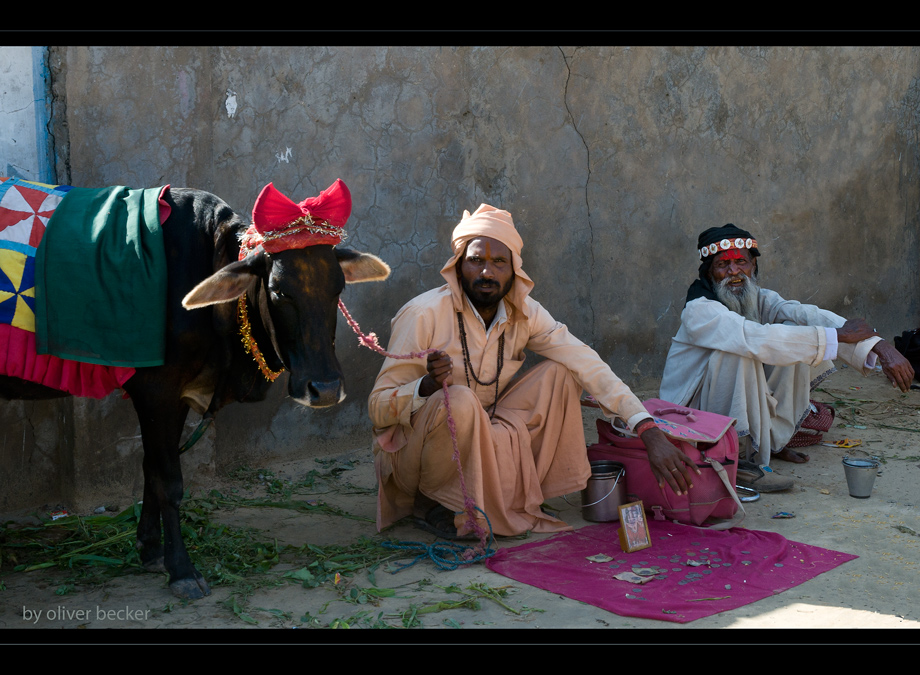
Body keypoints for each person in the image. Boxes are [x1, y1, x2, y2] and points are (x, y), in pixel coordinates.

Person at [368, 204, 700, 539]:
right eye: (476, 261)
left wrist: (647, 430)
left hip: (484, 433)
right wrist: (424, 386)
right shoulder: (423, 314)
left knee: (562, 372)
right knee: (461, 400)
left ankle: (504, 494)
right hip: (412, 456)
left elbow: (587, 363)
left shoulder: (525, 313)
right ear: (457, 266)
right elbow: (377, 408)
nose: (487, 273)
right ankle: (436, 502)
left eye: (499, 262)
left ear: (514, 270)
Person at [659, 224, 914, 492]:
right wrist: (836, 336)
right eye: (723, 265)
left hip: (720, 405)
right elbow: (754, 338)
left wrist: (878, 344)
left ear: (753, 265)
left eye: (740, 263)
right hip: (688, 417)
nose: (733, 272)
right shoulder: (699, 310)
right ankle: (729, 460)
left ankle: (768, 444)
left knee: (796, 333)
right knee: (740, 351)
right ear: (709, 271)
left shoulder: (757, 298)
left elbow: (802, 314)